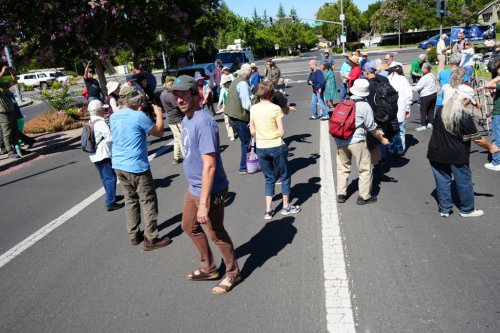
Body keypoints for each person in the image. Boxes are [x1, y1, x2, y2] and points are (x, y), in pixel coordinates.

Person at [171, 75, 241, 295]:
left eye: (183, 94)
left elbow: (209, 166)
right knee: (188, 226)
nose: (179, 100)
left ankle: (233, 273)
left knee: (216, 232)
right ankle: (209, 267)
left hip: (211, 191)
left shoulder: (204, 122)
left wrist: (203, 204)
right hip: (194, 188)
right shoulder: (186, 119)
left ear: (195, 94)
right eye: (176, 95)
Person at [110, 86, 171, 250]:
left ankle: (134, 234)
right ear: (135, 101)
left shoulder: (114, 116)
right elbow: (159, 132)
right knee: (148, 200)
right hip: (136, 165)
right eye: (140, 100)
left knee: (130, 199)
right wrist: (159, 115)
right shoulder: (139, 116)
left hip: (118, 164)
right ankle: (151, 238)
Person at [427, 85, 500, 217]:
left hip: (435, 151)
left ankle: (445, 209)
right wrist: (491, 147)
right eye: (469, 102)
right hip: (456, 155)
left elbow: (453, 133)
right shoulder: (463, 116)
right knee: (464, 182)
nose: (468, 105)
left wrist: (465, 137)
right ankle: (467, 210)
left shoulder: (440, 110)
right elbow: (477, 139)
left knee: (442, 181)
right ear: (465, 99)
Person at [249, 81, 301, 220]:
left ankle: (268, 210)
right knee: (284, 175)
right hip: (276, 145)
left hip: (261, 147)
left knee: (269, 178)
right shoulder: (275, 109)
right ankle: (286, 206)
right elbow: (281, 132)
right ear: (271, 93)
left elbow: (253, 131)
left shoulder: (253, 109)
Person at [334, 79, 389, 205]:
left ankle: (341, 194)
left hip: (340, 140)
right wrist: (382, 139)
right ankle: (364, 197)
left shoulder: (343, 103)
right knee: (364, 169)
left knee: (342, 168)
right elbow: (371, 128)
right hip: (357, 141)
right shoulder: (364, 106)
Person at [87, 100, 123, 212]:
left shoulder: (90, 121)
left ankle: (111, 195)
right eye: (103, 108)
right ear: (98, 111)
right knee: (111, 177)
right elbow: (110, 138)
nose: (105, 110)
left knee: (104, 177)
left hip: (93, 154)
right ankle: (110, 202)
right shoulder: (100, 123)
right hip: (103, 154)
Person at [225, 63, 253, 174]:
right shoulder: (243, 84)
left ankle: (245, 164)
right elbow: (246, 104)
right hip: (239, 116)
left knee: (245, 141)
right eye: (251, 71)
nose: (251, 74)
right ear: (248, 72)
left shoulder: (236, 80)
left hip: (232, 114)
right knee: (246, 142)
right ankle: (243, 167)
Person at [477, 62, 500, 171]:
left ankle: (497, 162)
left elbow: (489, 84)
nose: (496, 70)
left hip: (498, 113)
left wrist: (497, 77)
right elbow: (495, 90)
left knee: (496, 137)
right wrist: (490, 94)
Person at [388, 64, 413, 155]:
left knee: (391, 130)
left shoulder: (387, 79)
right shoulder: (403, 79)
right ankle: (400, 148)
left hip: (390, 109)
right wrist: (407, 108)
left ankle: (391, 147)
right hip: (401, 109)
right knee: (401, 130)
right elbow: (408, 95)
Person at [160, 76, 185, 164]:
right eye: (173, 83)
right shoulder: (170, 95)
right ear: (170, 83)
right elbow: (178, 106)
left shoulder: (163, 93)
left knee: (177, 138)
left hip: (170, 118)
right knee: (181, 138)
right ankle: (186, 156)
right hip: (176, 119)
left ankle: (176, 157)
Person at [0, 65, 23, 158]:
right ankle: (10, 152)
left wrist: (13, 74)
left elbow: (14, 82)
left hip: (11, 111)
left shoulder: (1, 85)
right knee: (7, 133)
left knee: (14, 131)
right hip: (2, 113)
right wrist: (2, 72)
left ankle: (17, 149)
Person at [412, 62, 437, 131]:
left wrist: (409, 87)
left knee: (423, 111)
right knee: (431, 110)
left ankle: (423, 125)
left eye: (422, 68)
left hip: (426, 96)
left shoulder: (424, 78)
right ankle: (430, 123)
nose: (421, 69)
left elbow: (417, 88)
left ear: (426, 69)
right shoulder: (432, 75)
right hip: (434, 94)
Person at [217, 74, 236, 141]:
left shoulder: (233, 88)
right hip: (226, 106)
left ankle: (233, 131)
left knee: (233, 120)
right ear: (225, 83)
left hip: (233, 105)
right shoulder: (223, 89)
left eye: (229, 82)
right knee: (227, 121)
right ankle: (231, 135)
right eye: (227, 82)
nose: (229, 83)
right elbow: (221, 97)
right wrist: (219, 104)